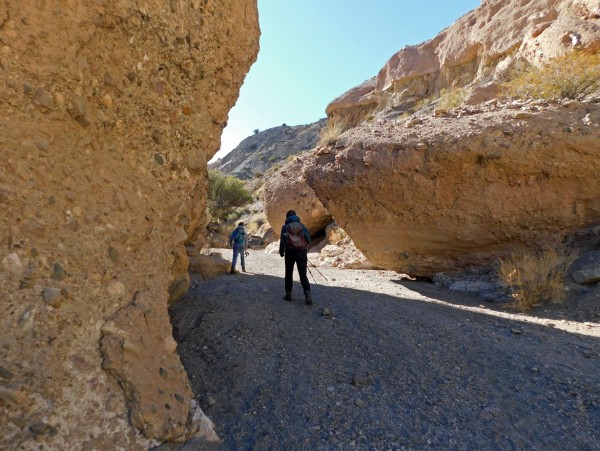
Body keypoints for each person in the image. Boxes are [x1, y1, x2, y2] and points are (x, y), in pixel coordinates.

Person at [279, 210, 312, 304]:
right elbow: (308, 239)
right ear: (295, 216)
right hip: (301, 253)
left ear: (287, 217)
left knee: (289, 273)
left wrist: (281, 251)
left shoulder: (285, 227)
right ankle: (308, 295)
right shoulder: (302, 226)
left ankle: (288, 294)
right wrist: (304, 248)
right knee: (303, 275)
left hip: (289, 252)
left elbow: (282, 240)